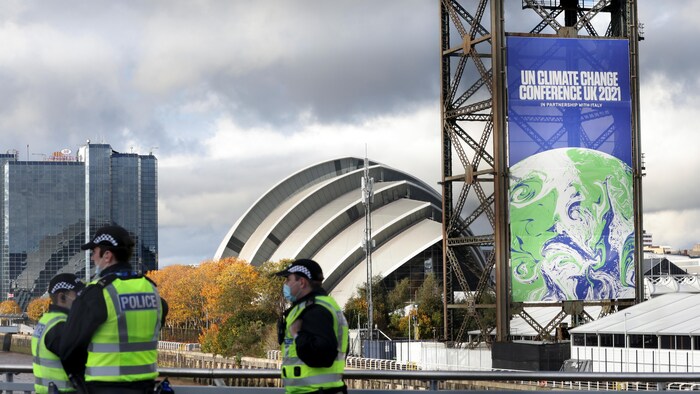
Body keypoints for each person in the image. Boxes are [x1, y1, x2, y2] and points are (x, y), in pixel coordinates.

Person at [58, 225, 168, 394]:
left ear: (107, 255)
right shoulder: (151, 289)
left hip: (104, 388)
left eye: (94, 252)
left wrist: (80, 383)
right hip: (146, 386)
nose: (93, 257)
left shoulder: (97, 293)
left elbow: (68, 348)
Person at [275, 259, 349, 394]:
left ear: (302, 282)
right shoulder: (315, 306)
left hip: (316, 391)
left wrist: (297, 334)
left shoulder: (316, 310)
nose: (285, 284)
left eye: (288, 279)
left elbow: (322, 354)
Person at [32, 273, 85, 393]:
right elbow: (80, 362)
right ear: (62, 297)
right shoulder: (61, 327)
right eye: (77, 294)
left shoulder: (46, 321)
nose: (81, 299)